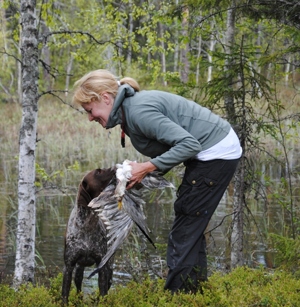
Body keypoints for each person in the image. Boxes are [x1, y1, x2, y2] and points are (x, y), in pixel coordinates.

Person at [72, 69, 242, 294]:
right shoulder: (129, 112)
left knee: (184, 230)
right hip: (213, 152)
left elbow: (189, 145)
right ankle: (194, 294)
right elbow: (175, 147)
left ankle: (176, 296)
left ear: (105, 98)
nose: (90, 117)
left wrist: (146, 167)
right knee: (190, 224)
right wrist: (145, 175)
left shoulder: (138, 112)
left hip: (216, 154)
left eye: (89, 110)